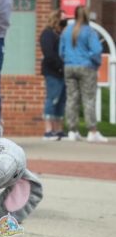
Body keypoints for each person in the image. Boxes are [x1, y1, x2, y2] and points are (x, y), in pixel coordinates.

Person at [60, 6, 108, 143]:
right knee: (88, 99)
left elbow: (61, 52)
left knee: (71, 99)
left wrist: (69, 59)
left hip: (69, 67)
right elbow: (96, 50)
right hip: (86, 67)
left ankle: (72, 131)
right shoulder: (89, 31)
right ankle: (92, 131)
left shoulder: (66, 31)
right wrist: (95, 63)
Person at [40, 11, 67, 141]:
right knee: (52, 99)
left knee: (61, 101)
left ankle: (58, 129)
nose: (65, 21)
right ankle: (48, 130)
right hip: (52, 72)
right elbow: (49, 54)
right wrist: (59, 66)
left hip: (62, 72)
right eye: (63, 18)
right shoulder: (47, 34)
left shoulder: (60, 34)